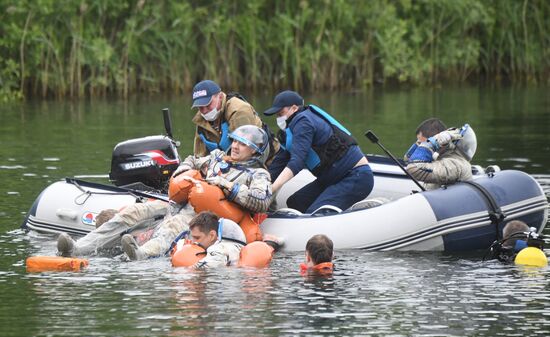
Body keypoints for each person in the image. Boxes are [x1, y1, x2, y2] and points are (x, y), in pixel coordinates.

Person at [57, 125, 273, 260]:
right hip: (178, 202)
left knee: (172, 226)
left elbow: (261, 200)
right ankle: (79, 248)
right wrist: (183, 173)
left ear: (254, 150)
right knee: (133, 211)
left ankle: (141, 254)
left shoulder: (258, 174)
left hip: (203, 215)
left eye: (242, 144)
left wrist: (226, 185)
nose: (234, 146)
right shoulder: (217, 157)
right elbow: (191, 160)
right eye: (234, 140)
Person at [263, 90, 374, 213]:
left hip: (355, 176)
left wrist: (272, 189)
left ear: (294, 108)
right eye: (277, 115)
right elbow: (278, 164)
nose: (279, 118)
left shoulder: (303, 121)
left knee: (316, 213)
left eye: (281, 113)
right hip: (331, 179)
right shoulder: (288, 132)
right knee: (296, 202)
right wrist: (261, 185)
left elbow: (297, 162)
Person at [182, 79, 282, 179]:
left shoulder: (239, 110)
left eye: (208, 105)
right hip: (226, 164)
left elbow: (246, 154)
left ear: (220, 96)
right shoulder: (201, 119)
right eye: (200, 107)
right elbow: (199, 155)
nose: (204, 111)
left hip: (269, 162)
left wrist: (216, 171)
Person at [404, 118, 473, 189]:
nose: (420, 146)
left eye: (423, 143)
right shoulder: (440, 158)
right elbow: (408, 160)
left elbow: (413, 168)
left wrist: (435, 140)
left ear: (438, 142)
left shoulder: (454, 164)